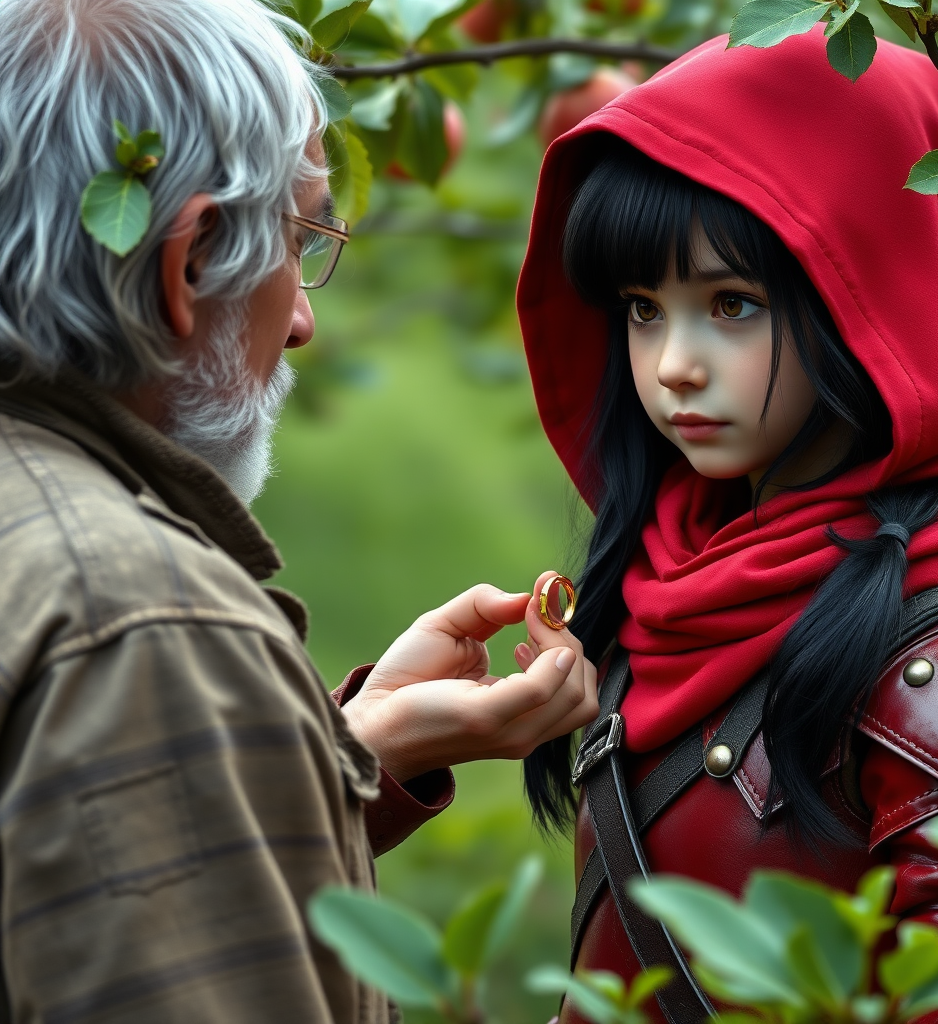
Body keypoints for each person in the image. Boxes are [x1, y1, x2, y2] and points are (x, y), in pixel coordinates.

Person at [0, 0, 597, 1020]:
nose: (307, 319)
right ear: (191, 263)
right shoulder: (141, 623)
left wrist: (346, 749)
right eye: (301, 234)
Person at [514, 25, 938, 1024]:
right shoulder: (664, 580)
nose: (672, 367)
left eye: (732, 305)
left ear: (870, 289)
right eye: (643, 307)